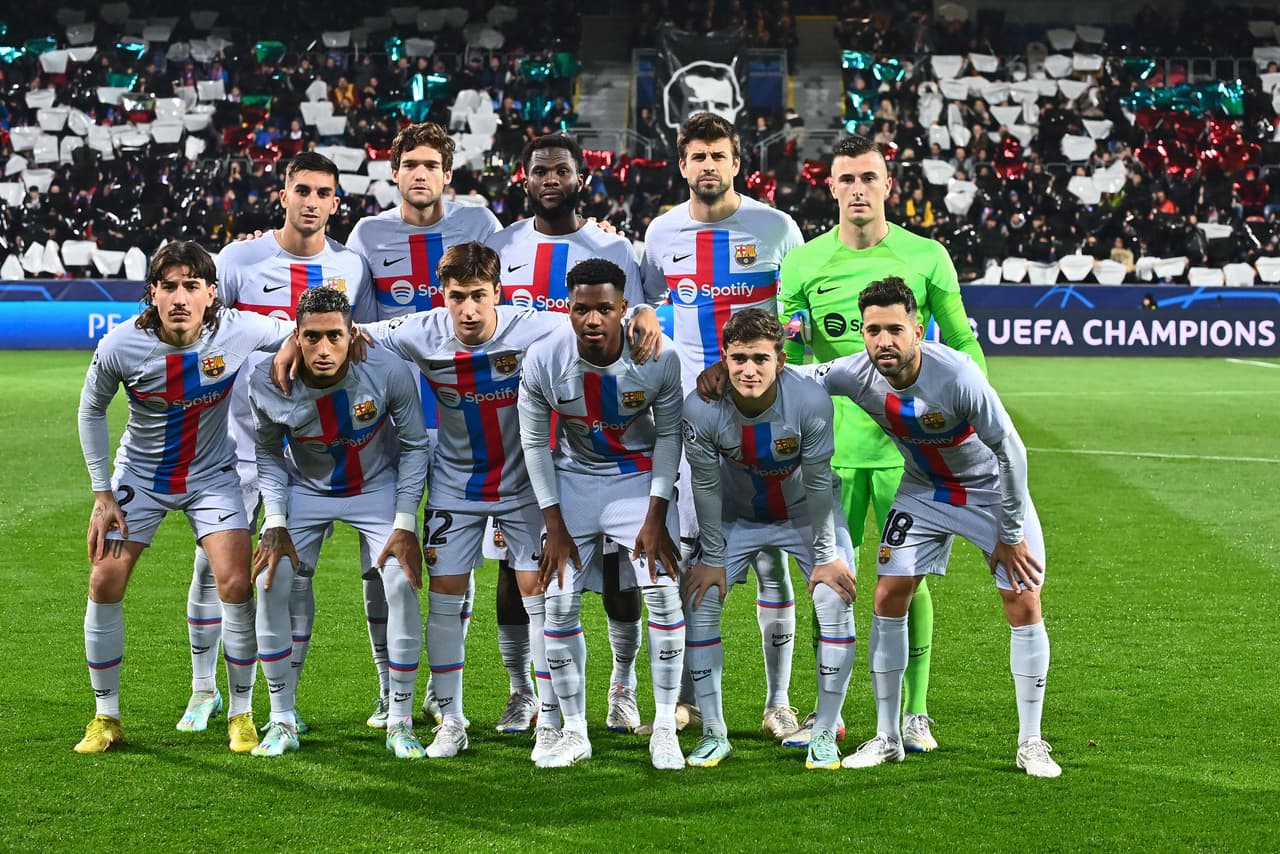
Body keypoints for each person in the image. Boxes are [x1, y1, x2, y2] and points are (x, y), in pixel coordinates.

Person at [348, 243, 662, 762]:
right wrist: (294, 343)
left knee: (541, 601)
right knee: (446, 604)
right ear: (439, 296)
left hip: (526, 490)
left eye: (478, 296)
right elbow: (349, 332)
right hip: (455, 485)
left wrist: (647, 311)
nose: (468, 310)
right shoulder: (417, 332)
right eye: (456, 297)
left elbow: (608, 324)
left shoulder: (536, 327)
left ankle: (550, 720)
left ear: (499, 292)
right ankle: (451, 721)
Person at [802, 277, 1058, 778]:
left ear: (918, 329)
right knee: (887, 596)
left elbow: (1012, 453)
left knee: (1023, 598)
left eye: (895, 329)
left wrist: (1009, 533)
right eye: (873, 330)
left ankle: (1032, 742)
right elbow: (797, 375)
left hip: (989, 490)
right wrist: (730, 371)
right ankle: (888, 736)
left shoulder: (957, 375)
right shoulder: (856, 372)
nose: (884, 341)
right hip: (923, 490)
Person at [778, 133, 986, 751]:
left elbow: (963, 342)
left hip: (912, 454)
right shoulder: (803, 264)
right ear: (831, 185)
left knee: (907, 579)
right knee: (828, 582)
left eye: (869, 177)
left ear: (889, 183)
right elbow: (789, 361)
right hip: (828, 453)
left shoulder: (927, 256)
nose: (858, 189)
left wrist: (973, 405)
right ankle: (828, 716)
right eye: (846, 179)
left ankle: (914, 713)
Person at [74, 241, 292, 754]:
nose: (179, 297)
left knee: (236, 584)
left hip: (212, 476)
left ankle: (241, 714)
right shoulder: (120, 345)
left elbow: (297, 334)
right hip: (141, 476)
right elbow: (91, 412)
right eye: (168, 286)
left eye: (191, 286)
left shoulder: (237, 330)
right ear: (152, 292)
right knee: (104, 578)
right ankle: (106, 716)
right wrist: (102, 493)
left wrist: (289, 346)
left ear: (210, 294)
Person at [184, 152, 375, 735]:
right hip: (238, 439)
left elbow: (361, 346)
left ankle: (282, 704)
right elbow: (205, 333)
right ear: (283, 194)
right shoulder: (239, 259)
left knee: (290, 573)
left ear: (336, 203)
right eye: (302, 190)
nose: (311, 201)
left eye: (323, 192)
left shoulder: (353, 267)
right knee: (214, 566)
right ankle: (203, 690)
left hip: (319, 448)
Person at [639, 111, 805, 740]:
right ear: (681, 165)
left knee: (769, 553)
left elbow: (797, 314)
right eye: (697, 156)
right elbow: (649, 304)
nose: (708, 165)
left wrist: (764, 356)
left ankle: (778, 701)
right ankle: (682, 694)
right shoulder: (659, 234)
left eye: (719, 155)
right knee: (693, 549)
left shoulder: (776, 228)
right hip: (689, 418)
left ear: (738, 163)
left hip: (764, 412)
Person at [486, 134, 655, 738]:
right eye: (540, 171)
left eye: (562, 170)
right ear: (523, 179)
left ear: (582, 178)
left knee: (617, 568)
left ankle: (622, 690)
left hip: (601, 426)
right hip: (516, 421)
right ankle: (521, 695)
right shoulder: (500, 245)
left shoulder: (614, 246)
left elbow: (641, 318)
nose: (550, 179)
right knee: (517, 566)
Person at [346, 122, 501, 730]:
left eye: (430, 165)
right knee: (381, 558)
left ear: (446, 174)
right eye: (409, 163)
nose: (419, 174)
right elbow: (357, 329)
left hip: (471, 420)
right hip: (393, 425)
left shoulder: (480, 226)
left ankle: (447, 691)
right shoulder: (367, 234)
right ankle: (390, 687)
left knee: (457, 560)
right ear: (393, 172)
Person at [248, 286, 430, 758]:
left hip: (375, 487)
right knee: (272, 579)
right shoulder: (266, 380)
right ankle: (282, 717)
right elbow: (267, 451)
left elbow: (413, 447)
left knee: (400, 580)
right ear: (296, 337)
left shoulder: (388, 370)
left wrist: (405, 523)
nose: (323, 349)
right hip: (305, 489)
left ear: (354, 335)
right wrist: (277, 518)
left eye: (334, 336)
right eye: (312, 337)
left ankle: (401, 718)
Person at [518, 258, 686, 769]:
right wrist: (554, 525)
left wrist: (656, 514)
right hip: (572, 483)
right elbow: (533, 441)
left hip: (637, 483)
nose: (592, 320)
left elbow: (669, 434)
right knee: (558, 601)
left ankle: (662, 728)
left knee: (662, 592)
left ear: (623, 310)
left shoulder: (658, 356)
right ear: (567, 309)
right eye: (581, 309)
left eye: (604, 309)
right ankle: (573, 731)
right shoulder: (544, 357)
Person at [682, 309, 858, 771]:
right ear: (724, 356)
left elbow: (819, 485)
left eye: (760, 358)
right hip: (738, 516)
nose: (748, 370)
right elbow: (705, 485)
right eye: (738, 358)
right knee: (701, 599)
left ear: (780, 359)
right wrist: (713, 557)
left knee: (835, 598)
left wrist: (826, 558)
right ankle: (714, 734)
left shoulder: (810, 401)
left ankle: (824, 734)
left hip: (805, 515)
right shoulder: (700, 408)